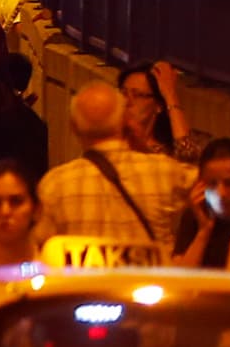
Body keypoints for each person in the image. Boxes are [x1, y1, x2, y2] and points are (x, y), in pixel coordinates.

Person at [40, 81, 198, 261]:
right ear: (125, 122)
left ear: (74, 126)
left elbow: (42, 249)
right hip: (149, 284)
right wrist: (143, 147)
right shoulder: (162, 171)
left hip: (83, 287)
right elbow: (202, 185)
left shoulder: (55, 185)